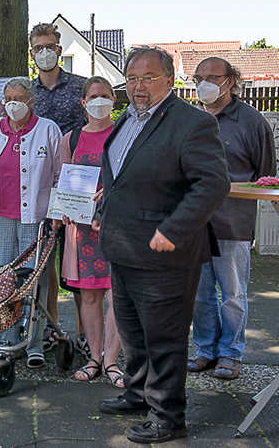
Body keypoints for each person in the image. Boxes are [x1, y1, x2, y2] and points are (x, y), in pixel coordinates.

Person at [95, 46, 229, 444]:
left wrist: (174, 229)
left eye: (148, 78)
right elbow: (126, 173)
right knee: (134, 334)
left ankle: (168, 418)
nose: (138, 87)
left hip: (164, 253)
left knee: (165, 339)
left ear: (170, 79)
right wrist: (107, 198)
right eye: (132, 78)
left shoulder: (191, 123)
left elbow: (213, 183)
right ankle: (137, 394)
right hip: (123, 246)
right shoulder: (128, 119)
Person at [188, 57, 276, 380]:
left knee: (234, 293)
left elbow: (268, 178)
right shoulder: (191, 120)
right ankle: (205, 350)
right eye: (199, 77)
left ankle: (231, 353)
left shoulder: (253, 123)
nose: (204, 83)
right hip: (195, 222)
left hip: (233, 224)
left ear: (231, 81)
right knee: (199, 291)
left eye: (212, 77)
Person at [0, 76, 61, 369]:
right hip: (0, 218)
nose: (13, 104)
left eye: (19, 98)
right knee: (3, 281)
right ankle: (7, 341)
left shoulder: (48, 130)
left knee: (34, 281)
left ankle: (35, 343)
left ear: (31, 100)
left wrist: (55, 212)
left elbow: (58, 175)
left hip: (35, 219)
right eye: (8, 98)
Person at [52, 76, 122, 386]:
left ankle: (112, 361)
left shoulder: (125, 135)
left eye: (105, 95)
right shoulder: (71, 139)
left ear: (114, 100)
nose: (99, 100)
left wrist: (112, 191)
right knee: (90, 297)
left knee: (118, 296)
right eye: (93, 96)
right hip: (81, 231)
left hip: (119, 227)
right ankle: (94, 357)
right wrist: (61, 210)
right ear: (83, 102)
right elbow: (61, 182)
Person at [29, 23, 89, 352]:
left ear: (59, 48)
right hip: (39, 188)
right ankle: (52, 326)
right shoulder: (27, 91)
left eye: (49, 46)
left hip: (75, 187)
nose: (44, 52)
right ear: (32, 52)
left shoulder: (80, 87)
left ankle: (85, 331)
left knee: (79, 259)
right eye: (38, 47)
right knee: (44, 262)